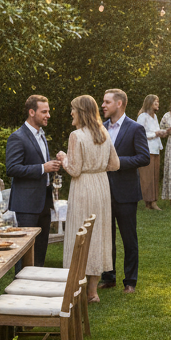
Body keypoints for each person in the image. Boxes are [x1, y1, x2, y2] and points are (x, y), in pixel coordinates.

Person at [62, 95, 120, 303]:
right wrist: (97, 166)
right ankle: (92, 292)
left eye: (73, 109)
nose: (71, 113)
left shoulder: (76, 136)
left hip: (84, 187)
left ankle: (77, 288)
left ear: (81, 112)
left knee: (81, 233)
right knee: (97, 234)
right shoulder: (103, 133)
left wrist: (63, 159)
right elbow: (115, 164)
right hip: (102, 187)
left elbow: (74, 169)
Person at [99, 89, 150, 293]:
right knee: (106, 237)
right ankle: (108, 276)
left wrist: (117, 163)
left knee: (129, 238)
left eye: (107, 102)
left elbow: (143, 157)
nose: (103, 105)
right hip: (103, 191)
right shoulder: (100, 128)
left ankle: (130, 281)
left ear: (119, 104)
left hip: (126, 192)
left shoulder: (135, 128)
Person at [6, 94, 61, 268]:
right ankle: (19, 289)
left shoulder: (41, 135)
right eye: (44, 112)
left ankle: (37, 284)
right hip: (26, 204)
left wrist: (52, 167)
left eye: (48, 111)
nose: (48, 115)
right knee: (25, 252)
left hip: (44, 201)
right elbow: (12, 168)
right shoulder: (18, 137)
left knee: (40, 249)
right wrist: (42, 168)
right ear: (32, 112)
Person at [136, 94, 163, 211]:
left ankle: (154, 202)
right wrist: (155, 134)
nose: (157, 104)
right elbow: (139, 134)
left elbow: (155, 131)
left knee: (154, 176)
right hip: (147, 150)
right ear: (149, 103)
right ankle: (148, 203)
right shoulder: (143, 116)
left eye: (158, 102)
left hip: (156, 149)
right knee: (147, 177)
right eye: (155, 102)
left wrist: (161, 133)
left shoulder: (155, 117)